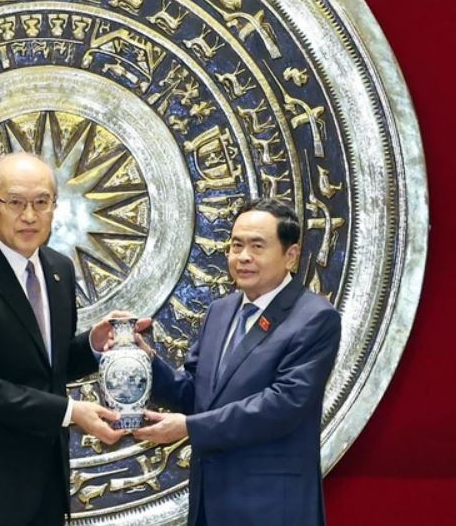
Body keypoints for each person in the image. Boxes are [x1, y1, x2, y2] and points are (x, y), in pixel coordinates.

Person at [0, 152, 126, 526]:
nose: (30, 216)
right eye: (16, 202)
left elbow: (46, 366)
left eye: (41, 202)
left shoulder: (59, 270)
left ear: (55, 207)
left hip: (48, 486)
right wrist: (70, 412)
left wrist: (93, 346)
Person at [133, 198, 341, 526]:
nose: (243, 257)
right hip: (209, 504)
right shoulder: (221, 311)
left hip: (272, 507)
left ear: (291, 255)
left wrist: (188, 428)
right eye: (236, 245)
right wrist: (144, 360)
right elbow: (196, 395)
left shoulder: (314, 318)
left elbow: (283, 405)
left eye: (257, 246)